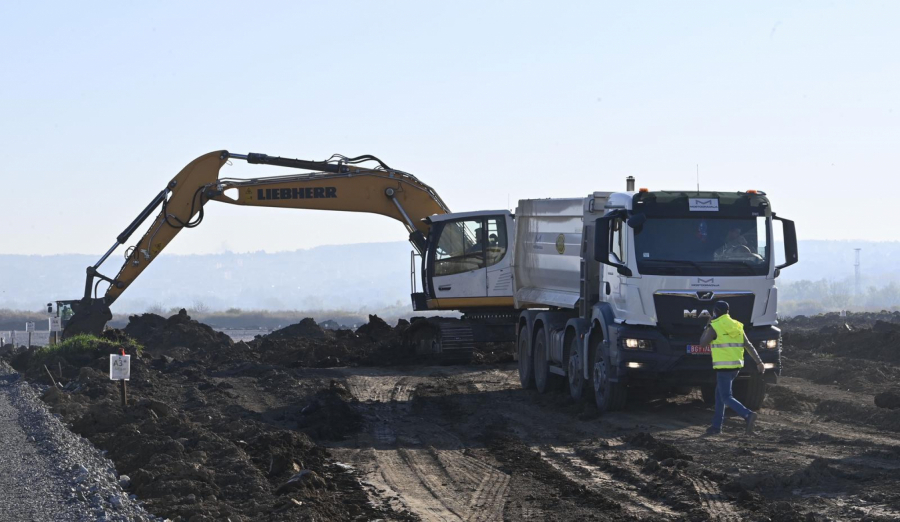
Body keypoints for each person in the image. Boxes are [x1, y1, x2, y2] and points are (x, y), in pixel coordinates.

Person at [699, 301, 765, 435]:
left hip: (723, 368)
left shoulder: (715, 326)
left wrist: (707, 325)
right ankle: (716, 427)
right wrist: (759, 362)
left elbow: (702, 344)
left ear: (716, 312)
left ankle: (747, 414)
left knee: (726, 397)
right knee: (719, 396)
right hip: (735, 368)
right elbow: (748, 345)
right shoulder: (737, 325)